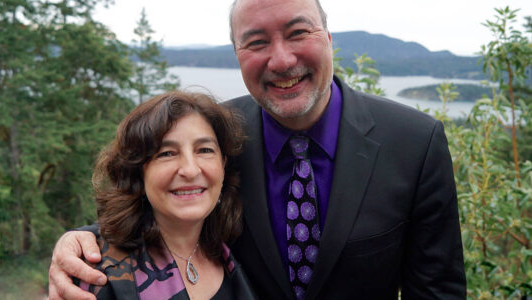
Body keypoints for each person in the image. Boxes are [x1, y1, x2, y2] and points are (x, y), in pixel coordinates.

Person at [49, 0, 466, 299]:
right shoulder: (218, 139)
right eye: (256, 41)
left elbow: (437, 290)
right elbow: (158, 203)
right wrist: (84, 241)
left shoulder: (414, 141)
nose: (282, 60)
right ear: (236, 54)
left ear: (329, 38)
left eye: (298, 32)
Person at [71, 91, 256, 299]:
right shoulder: (97, 274)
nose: (190, 170)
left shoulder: (237, 251)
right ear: (138, 172)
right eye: (167, 153)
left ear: (223, 164)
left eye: (204, 150)